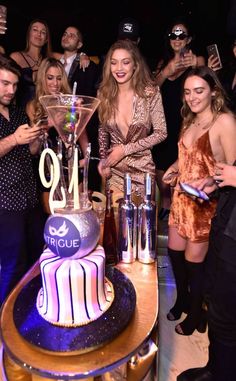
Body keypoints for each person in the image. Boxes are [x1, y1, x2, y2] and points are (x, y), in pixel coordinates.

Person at [163, 66, 236, 335]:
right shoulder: (189, 120)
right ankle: (182, 299)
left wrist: (210, 184)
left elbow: (231, 169)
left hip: (205, 205)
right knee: (174, 253)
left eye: (199, 91)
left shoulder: (224, 122)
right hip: (181, 199)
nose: (192, 98)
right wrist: (173, 168)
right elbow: (187, 157)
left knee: (196, 268)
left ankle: (196, 314)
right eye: (187, 92)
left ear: (213, 91)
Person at [177, 162, 236, 381]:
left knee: (226, 316)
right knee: (214, 302)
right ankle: (215, 368)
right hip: (226, 225)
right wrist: (216, 184)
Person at [0, 54, 45, 307]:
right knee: (11, 267)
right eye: (5, 83)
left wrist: (35, 138)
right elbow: (12, 143)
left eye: (15, 85)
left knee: (34, 261)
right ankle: (4, 326)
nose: (11, 90)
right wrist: (15, 139)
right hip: (5, 205)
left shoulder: (17, 113)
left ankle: (26, 314)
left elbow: (30, 152)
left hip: (30, 199)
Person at [97, 39, 167, 198]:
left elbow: (161, 133)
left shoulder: (150, 93)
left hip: (143, 173)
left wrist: (124, 150)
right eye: (114, 63)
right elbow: (102, 131)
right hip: (114, 174)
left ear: (135, 65)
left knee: (142, 223)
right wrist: (103, 159)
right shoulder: (104, 94)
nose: (119, 68)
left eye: (125, 62)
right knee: (114, 221)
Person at [152, 17, 205, 220]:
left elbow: (204, 87)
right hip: (163, 122)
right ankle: (165, 207)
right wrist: (167, 71)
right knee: (160, 170)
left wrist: (195, 66)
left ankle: (177, 210)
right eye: (173, 34)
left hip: (185, 123)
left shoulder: (197, 60)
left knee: (180, 169)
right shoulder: (162, 63)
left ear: (188, 39)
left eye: (181, 35)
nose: (177, 38)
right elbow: (151, 88)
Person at [26, 57, 89, 212]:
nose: (55, 83)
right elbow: (33, 138)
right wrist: (55, 119)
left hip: (71, 163)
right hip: (48, 166)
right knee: (53, 217)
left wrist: (81, 115)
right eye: (50, 78)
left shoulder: (69, 102)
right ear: (42, 79)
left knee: (76, 213)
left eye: (59, 78)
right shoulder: (34, 105)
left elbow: (79, 133)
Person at [10, 19, 53, 107]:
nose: (39, 34)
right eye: (35, 30)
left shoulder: (49, 60)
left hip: (42, 113)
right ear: (29, 34)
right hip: (19, 112)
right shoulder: (16, 57)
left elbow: (69, 55)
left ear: (46, 39)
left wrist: (81, 55)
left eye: (43, 32)